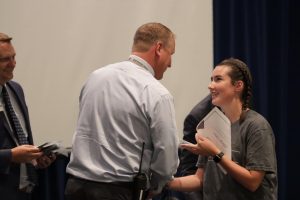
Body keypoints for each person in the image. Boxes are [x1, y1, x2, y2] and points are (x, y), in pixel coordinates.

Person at [65, 22, 179, 200]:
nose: (170, 63)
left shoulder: (95, 77)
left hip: (76, 187)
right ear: (158, 48)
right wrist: (155, 186)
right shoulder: (157, 93)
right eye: (171, 54)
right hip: (119, 191)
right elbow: (166, 156)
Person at [168, 58, 278, 200]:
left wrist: (215, 153)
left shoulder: (256, 126)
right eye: (211, 79)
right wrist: (167, 183)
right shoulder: (211, 125)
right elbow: (199, 179)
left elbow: (253, 181)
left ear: (238, 86)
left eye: (218, 79)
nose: (210, 85)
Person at [0, 32, 56, 200]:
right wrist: (10, 156)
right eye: (5, 59)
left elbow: (17, 140)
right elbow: (12, 152)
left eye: (14, 57)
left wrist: (34, 158)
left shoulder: (15, 90)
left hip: (24, 191)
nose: (13, 64)